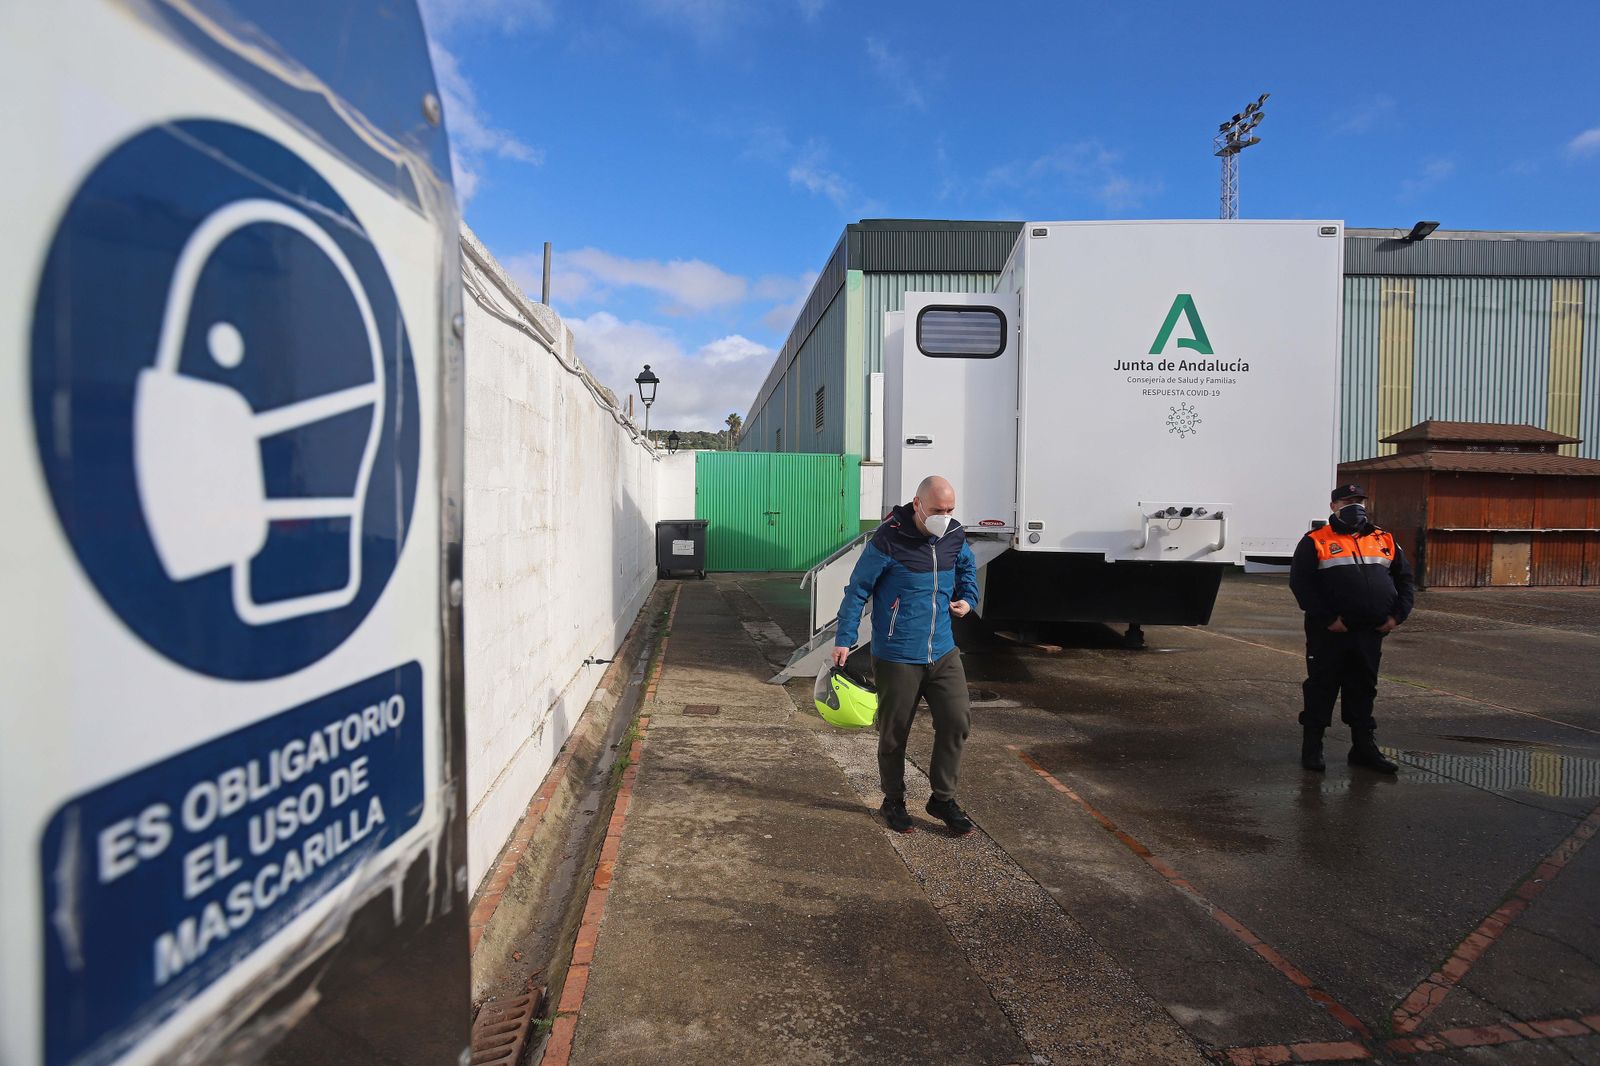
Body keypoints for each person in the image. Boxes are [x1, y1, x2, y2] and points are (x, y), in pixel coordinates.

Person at [832, 475, 979, 835]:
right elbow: (857, 591)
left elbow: (967, 569)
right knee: (895, 732)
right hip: (897, 653)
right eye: (937, 510)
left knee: (957, 722)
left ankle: (941, 799)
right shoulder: (888, 539)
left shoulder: (954, 535)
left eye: (950, 510)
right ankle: (893, 800)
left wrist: (968, 599)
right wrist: (844, 638)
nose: (944, 517)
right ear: (917, 505)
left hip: (943, 650)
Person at [1289, 482, 1415, 774]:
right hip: (1330, 632)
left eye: (1358, 500)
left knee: (1363, 688)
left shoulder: (1384, 539)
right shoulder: (1315, 540)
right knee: (1321, 687)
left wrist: (1398, 616)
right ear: (1334, 506)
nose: (1354, 505)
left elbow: (1404, 579)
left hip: (1370, 632)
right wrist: (1328, 618)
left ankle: (1363, 748)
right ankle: (1313, 748)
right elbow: (1301, 584)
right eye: (1347, 501)